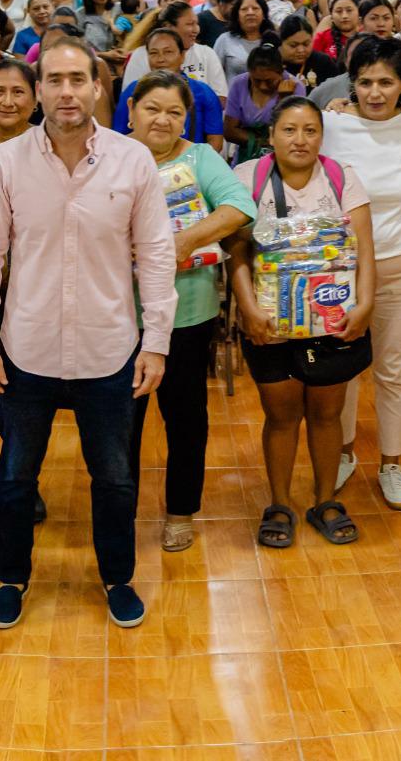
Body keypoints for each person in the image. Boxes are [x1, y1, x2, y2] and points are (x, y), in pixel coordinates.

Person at [0, 39, 175, 631]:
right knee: (14, 479)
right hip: (25, 348)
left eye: (77, 79)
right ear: (38, 89)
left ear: (98, 87)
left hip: (108, 350)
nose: (65, 92)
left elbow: (156, 255)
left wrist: (155, 341)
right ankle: (12, 578)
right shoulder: (9, 161)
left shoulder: (132, 161)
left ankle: (117, 577)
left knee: (113, 477)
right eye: (53, 80)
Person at [229, 96, 375, 548]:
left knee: (327, 414)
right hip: (269, 325)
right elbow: (236, 253)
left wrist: (365, 304)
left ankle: (325, 499)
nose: (300, 139)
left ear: (322, 136)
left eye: (310, 130)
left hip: (333, 321)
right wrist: (248, 309)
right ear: (270, 136)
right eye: (289, 130)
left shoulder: (340, 177)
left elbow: (365, 248)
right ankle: (279, 502)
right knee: (281, 414)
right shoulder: (246, 177)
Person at [124, 71, 254, 553]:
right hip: (120, 314)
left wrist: (182, 241)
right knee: (121, 422)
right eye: (152, 108)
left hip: (188, 311)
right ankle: (121, 509)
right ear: (132, 108)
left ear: (187, 118)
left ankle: (180, 511)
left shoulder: (200, 158)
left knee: (185, 419)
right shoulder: (111, 155)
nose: (163, 119)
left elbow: (241, 206)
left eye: (174, 112)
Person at [320, 38, 401, 508]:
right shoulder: (332, 123)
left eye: (386, 81)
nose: (374, 92)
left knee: (395, 367)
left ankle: (391, 462)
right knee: (342, 368)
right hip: (343, 266)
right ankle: (343, 452)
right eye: (364, 82)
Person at [110, 29, 224, 143]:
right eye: (153, 53)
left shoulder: (203, 92)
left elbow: (215, 140)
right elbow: (119, 137)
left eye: (168, 52)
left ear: (182, 55)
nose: (161, 59)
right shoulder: (133, 90)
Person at [223, 44, 291, 161]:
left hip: (284, 158)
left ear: (281, 72)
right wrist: (265, 142)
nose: (262, 86)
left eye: (269, 81)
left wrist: (284, 99)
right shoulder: (238, 84)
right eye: (256, 80)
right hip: (246, 157)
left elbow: (290, 130)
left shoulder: (295, 86)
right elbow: (229, 131)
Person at [214, 0, 273, 83]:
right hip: (233, 95)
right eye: (244, 9)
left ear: (264, 14)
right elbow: (214, 74)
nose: (250, 12)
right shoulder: (225, 40)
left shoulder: (272, 40)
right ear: (237, 15)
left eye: (255, 8)